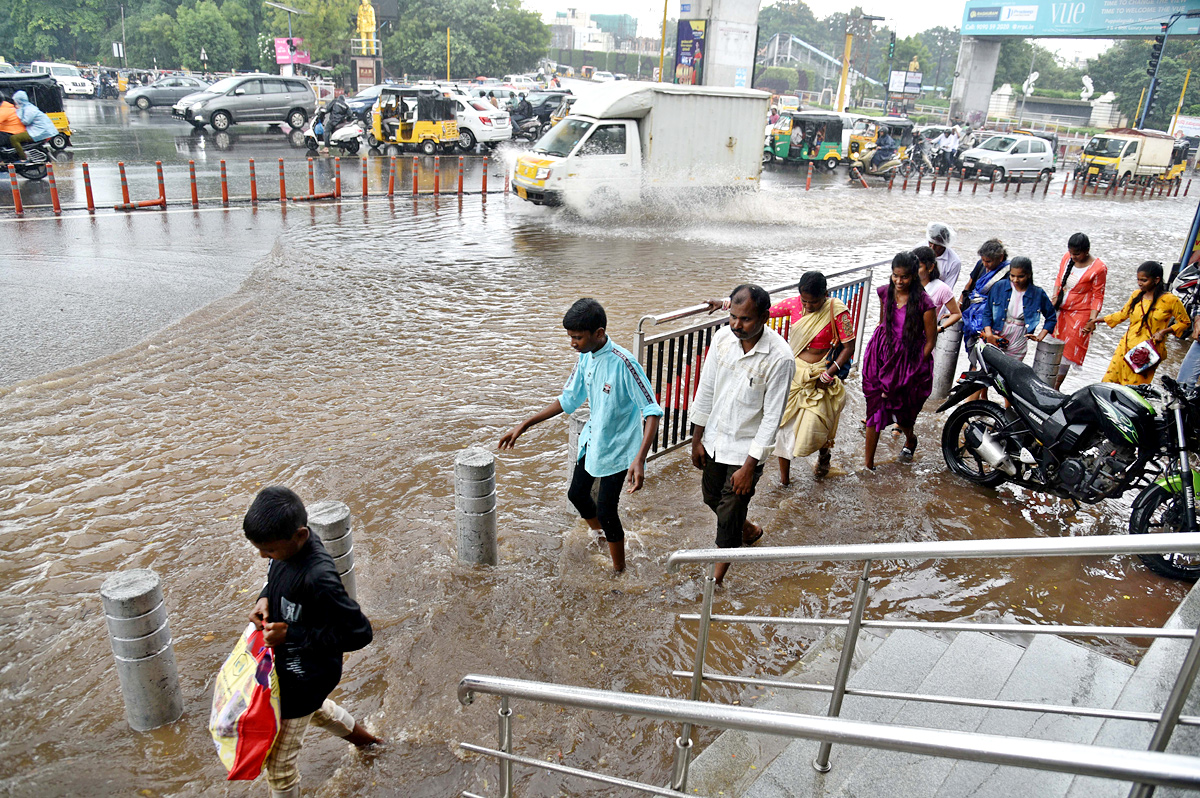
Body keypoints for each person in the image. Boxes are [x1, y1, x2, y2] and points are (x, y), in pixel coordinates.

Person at [498, 298, 662, 573]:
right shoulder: (586, 358)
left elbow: (652, 410)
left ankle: (618, 569)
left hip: (620, 448)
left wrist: (639, 459)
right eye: (570, 337)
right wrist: (525, 424)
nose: (572, 343)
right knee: (576, 494)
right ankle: (601, 538)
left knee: (608, 510)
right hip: (593, 440)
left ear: (598, 333)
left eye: (577, 337)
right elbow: (568, 399)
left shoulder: (625, 363)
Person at [243, 486, 379, 798]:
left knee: (278, 768)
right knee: (318, 711)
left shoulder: (319, 577)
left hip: (307, 676)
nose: (264, 556)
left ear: (301, 536)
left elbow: (360, 633)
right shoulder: (286, 551)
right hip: (288, 670)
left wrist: (293, 634)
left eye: (269, 551)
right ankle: (369, 743)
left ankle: (367, 743)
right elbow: (274, 577)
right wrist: (264, 599)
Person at [690, 284, 795, 584]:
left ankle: (714, 583)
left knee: (729, 514)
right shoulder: (722, 339)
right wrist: (697, 439)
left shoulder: (780, 358)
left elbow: (772, 418)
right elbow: (706, 389)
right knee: (711, 497)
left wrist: (750, 467)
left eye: (745, 319)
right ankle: (749, 530)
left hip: (745, 452)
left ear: (764, 317)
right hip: (713, 441)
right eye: (733, 317)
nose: (736, 325)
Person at [769, 272, 856, 482]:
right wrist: (727, 304)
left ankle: (824, 457)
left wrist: (828, 375)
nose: (807, 306)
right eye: (804, 301)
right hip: (794, 374)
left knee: (819, 423)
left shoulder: (837, 310)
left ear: (825, 295)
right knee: (783, 425)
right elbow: (761, 309)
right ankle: (785, 480)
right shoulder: (793, 304)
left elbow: (849, 346)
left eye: (813, 302)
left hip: (822, 373)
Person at [861, 251, 938, 469]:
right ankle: (869, 465)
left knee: (903, 414)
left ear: (914, 276)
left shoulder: (925, 303)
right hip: (881, 357)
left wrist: (913, 368)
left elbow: (930, 342)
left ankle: (910, 438)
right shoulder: (886, 292)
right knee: (874, 408)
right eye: (895, 275)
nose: (899, 281)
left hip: (909, 363)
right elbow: (882, 323)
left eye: (904, 277)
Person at [1084, 261, 1192, 386]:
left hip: (1147, 352)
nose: (1140, 283)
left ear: (1156, 280)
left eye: (1144, 280)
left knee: (1134, 389)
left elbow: (1185, 322)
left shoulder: (1170, 300)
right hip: (1125, 347)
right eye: (1138, 280)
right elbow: (1122, 314)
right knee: (1109, 383)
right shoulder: (1136, 295)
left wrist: (1164, 332)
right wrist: (1097, 320)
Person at [1048, 233, 1107, 389]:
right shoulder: (1067, 258)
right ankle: (1046, 380)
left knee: (1067, 351)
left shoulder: (1098, 268)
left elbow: (1097, 296)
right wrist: (1054, 297)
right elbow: (1059, 279)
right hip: (1061, 310)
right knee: (1052, 344)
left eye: (1077, 254)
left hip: (1080, 314)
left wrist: (1092, 320)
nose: (1073, 257)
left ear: (1087, 251)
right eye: (1071, 253)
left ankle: (1056, 386)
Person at [982, 256, 1057, 360]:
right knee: (989, 369)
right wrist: (989, 334)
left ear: (1029, 275)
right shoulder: (999, 286)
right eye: (1012, 276)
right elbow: (987, 312)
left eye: (1020, 277)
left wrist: (1040, 336)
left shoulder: (1038, 294)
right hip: (996, 336)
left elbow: (1051, 317)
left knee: (1010, 372)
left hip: (1019, 339)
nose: (1015, 280)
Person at [960, 239, 1011, 370]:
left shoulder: (1008, 272)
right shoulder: (981, 265)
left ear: (1000, 258)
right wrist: (958, 306)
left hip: (991, 318)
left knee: (986, 357)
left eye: (988, 261)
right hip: (972, 313)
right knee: (973, 352)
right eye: (983, 260)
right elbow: (969, 285)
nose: (985, 264)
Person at [914, 245, 963, 332]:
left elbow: (956, 313)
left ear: (930, 267)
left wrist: (940, 328)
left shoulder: (941, 289)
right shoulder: (907, 284)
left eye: (919, 267)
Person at [926, 222, 962, 291]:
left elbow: (947, 290)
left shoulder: (954, 262)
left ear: (944, 244)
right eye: (930, 243)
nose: (932, 247)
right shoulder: (919, 249)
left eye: (937, 245)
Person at [0, 96, 30, 161]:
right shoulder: (5, 107)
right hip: (7, 131)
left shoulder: (4, 109)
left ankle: (1, 162)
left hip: (13, 133)